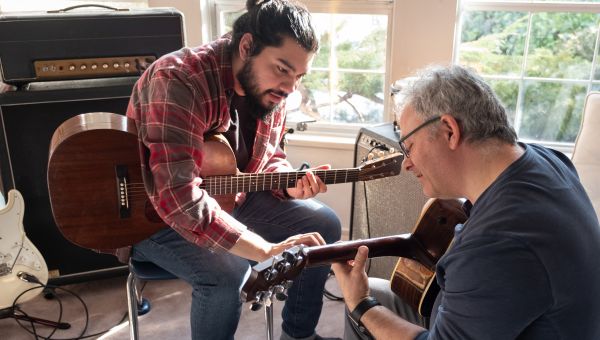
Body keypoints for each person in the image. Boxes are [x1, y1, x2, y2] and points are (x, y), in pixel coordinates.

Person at [332, 65, 600, 339]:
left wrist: (361, 305)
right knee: (377, 289)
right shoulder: (547, 161)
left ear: (450, 130)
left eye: (408, 147)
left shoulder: (497, 243)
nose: (407, 164)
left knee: (363, 304)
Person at [125, 0, 342, 339]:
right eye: (283, 69)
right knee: (228, 273)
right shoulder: (178, 80)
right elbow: (180, 198)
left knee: (324, 222)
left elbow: (268, 157)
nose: (289, 88)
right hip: (151, 213)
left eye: (298, 76)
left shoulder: (274, 93)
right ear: (246, 46)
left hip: (230, 198)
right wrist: (263, 250)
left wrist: (287, 186)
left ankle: (298, 335)